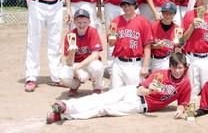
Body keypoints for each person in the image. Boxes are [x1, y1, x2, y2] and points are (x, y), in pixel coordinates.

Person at [46, 53, 191, 124]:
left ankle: (63, 116)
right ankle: (66, 105)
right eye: (174, 67)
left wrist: (180, 112)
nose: (177, 70)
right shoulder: (160, 73)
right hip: (133, 91)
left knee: (104, 109)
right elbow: (140, 91)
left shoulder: (185, 84)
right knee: (101, 98)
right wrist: (149, 91)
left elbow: (183, 104)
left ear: (184, 68)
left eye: (180, 67)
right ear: (170, 66)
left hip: (139, 106)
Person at [108, 0, 153, 88]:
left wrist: (145, 66)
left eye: (129, 5)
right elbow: (111, 44)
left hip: (134, 63)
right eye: (124, 5)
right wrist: (111, 37)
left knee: (134, 95)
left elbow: (147, 46)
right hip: (118, 62)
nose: (126, 7)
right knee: (114, 94)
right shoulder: (116, 21)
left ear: (135, 5)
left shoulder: (143, 21)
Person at [59, 9, 104, 97]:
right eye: (79, 22)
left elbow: (95, 55)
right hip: (75, 64)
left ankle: (97, 87)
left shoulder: (92, 32)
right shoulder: (70, 35)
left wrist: (78, 67)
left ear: (89, 22)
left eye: (84, 22)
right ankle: (74, 86)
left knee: (98, 66)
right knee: (63, 76)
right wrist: (72, 53)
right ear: (74, 22)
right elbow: (68, 63)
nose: (82, 25)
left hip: (89, 63)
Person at [150, 1, 180, 71]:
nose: (168, 16)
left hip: (168, 59)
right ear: (162, 13)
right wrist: (155, 46)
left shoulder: (178, 30)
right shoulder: (152, 26)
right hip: (153, 59)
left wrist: (179, 45)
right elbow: (145, 47)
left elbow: (177, 50)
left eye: (170, 13)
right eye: (165, 13)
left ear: (174, 14)